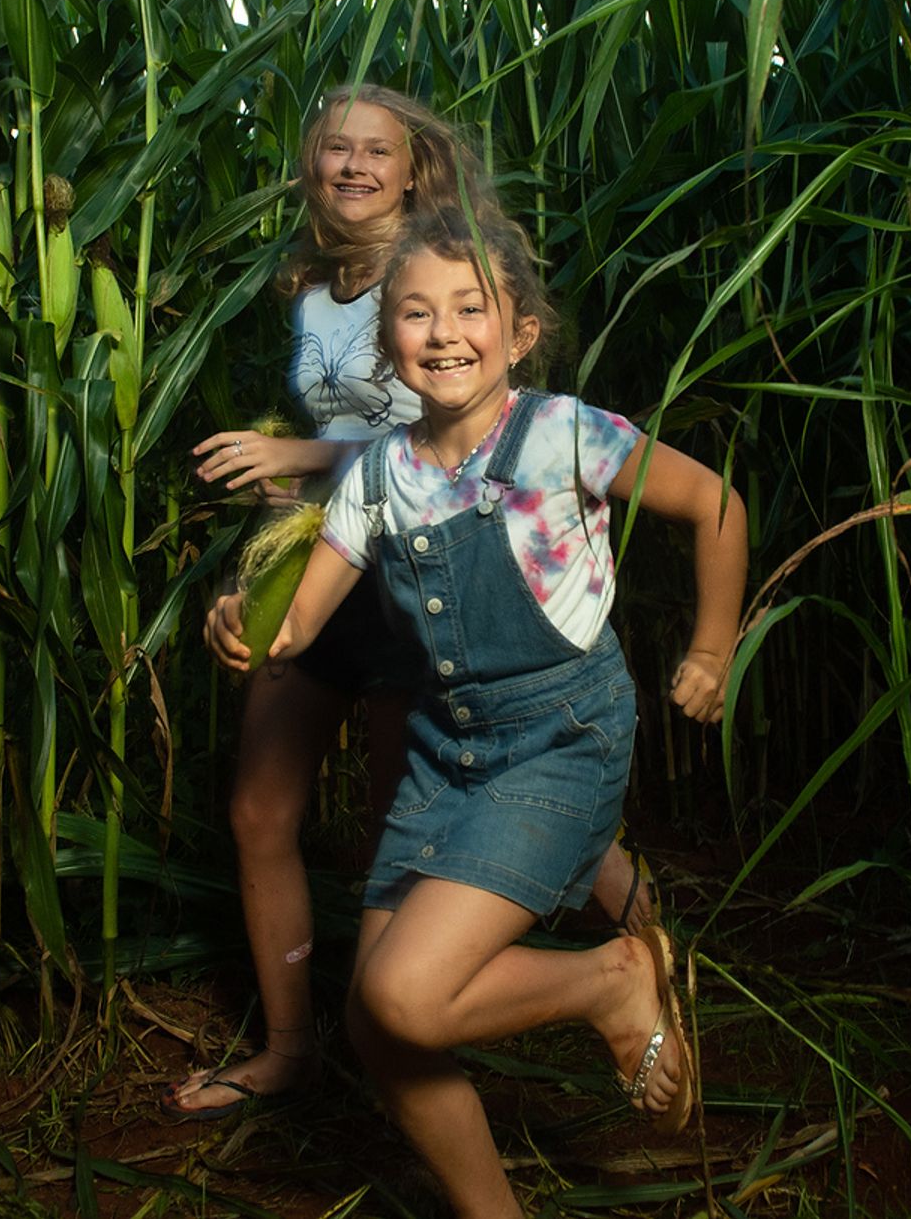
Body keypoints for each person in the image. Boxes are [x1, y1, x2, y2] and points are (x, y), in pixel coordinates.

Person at [216, 209, 747, 1215]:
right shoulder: (378, 476)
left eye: (472, 308)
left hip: (561, 742)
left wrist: (712, 648)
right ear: (388, 342)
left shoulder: (560, 434)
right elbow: (301, 615)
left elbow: (715, 504)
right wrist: (247, 619)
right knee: (380, 1030)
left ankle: (609, 976)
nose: (445, 330)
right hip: (444, 754)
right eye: (416, 313)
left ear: (519, 332)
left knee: (405, 993)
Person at [168, 88, 652, 1123]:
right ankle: (298, 1048)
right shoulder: (308, 287)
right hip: (337, 565)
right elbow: (361, 469)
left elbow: (447, 448)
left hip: (425, 603)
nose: (349, 165)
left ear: (413, 166)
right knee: (261, 806)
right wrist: (270, 553)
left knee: (435, 835)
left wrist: (299, 455)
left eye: (372, 149)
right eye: (331, 145)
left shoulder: (436, 270)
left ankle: (634, 976)